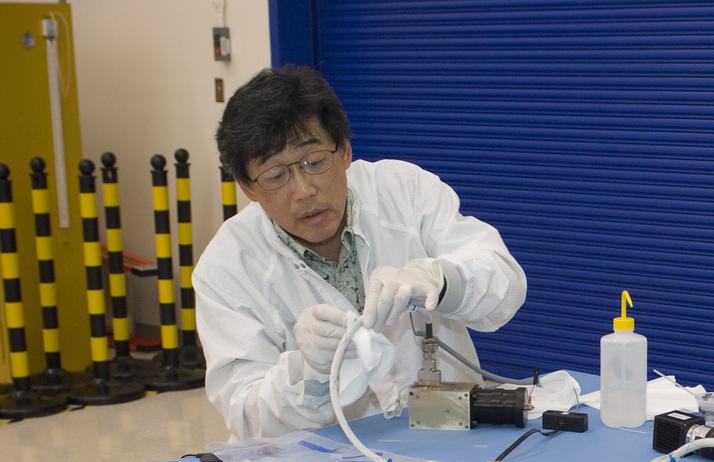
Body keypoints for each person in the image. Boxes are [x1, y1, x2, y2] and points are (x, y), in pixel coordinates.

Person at [193, 66, 526, 439]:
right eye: (275, 176)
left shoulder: (403, 190)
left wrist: (442, 279)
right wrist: (307, 373)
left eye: (314, 162)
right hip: (320, 461)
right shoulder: (227, 266)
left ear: (345, 151)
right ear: (247, 187)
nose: (303, 191)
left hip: (447, 434)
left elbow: (505, 283)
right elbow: (245, 414)